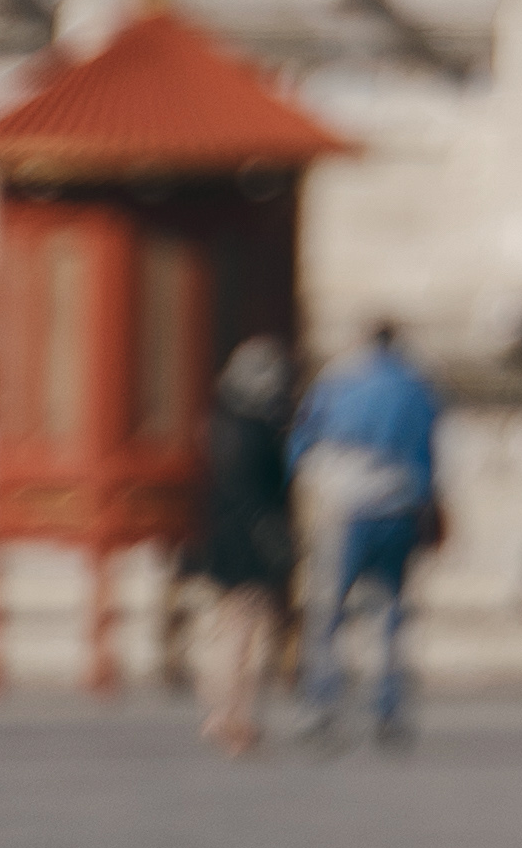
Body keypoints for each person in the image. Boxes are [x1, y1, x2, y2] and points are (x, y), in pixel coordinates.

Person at [293, 320, 444, 748]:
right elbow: (427, 451)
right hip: (398, 504)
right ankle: (388, 705)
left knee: (331, 611)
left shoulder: (338, 381)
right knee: (391, 610)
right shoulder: (415, 385)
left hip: (347, 507)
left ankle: (321, 703)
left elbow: (305, 441)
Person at [185, 330, 299, 754]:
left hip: (218, 532)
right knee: (251, 628)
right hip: (253, 536)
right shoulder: (259, 431)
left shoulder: (216, 423)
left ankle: (217, 708)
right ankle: (236, 713)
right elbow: (272, 491)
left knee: (226, 622)